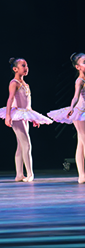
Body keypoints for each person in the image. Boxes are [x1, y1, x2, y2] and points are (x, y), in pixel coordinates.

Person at [0, 58, 51, 182]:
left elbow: (28, 104)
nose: (26, 68)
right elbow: (10, 99)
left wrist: (33, 118)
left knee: (21, 145)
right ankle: (30, 174)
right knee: (26, 144)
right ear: (15, 69)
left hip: (24, 115)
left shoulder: (26, 84)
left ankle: (19, 174)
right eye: (23, 65)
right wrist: (8, 116)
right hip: (16, 115)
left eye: (26, 65)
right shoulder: (14, 83)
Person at [48, 53, 85, 183]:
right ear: (77, 67)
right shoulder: (80, 80)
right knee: (83, 141)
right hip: (80, 112)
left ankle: (82, 175)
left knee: (81, 143)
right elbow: (75, 97)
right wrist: (71, 108)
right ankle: (82, 175)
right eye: (84, 62)